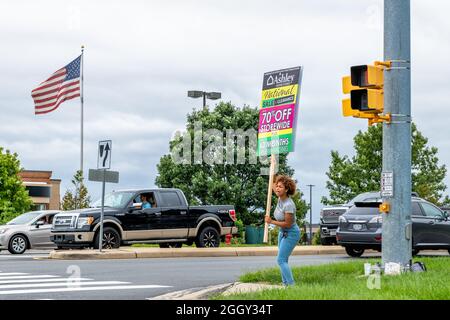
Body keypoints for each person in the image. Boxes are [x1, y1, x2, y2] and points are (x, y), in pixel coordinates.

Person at [265, 174, 301, 286]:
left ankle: (291, 286)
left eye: (280, 187)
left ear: (286, 189)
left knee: (280, 260)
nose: (277, 188)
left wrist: (271, 222)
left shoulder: (288, 204)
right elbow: (272, 183)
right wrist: (273, 165)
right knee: (283, 260)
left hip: (291, 233)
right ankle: (285, 284)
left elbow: (287, 224)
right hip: (282, 232)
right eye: (277, 186)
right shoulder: (280, 198)